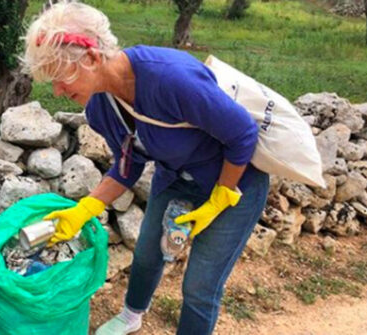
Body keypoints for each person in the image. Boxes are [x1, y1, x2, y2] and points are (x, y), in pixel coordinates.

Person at [22, 1, 269, 334]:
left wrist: (221, 197)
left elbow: (242, 134)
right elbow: (127, 166)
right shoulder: (100, 108)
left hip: (234, 182)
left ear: (92, 58)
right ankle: (131, 315)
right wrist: (85, 208)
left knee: (199, 286)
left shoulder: (171, 78)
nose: (57, 91)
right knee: (147, 254)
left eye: (61, 77)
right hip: (175, 176)